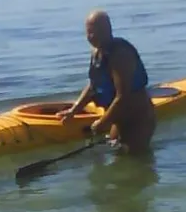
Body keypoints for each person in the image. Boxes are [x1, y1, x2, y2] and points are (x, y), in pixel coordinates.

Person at [56, 9, 156, 154]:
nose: (91, 36)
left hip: (138, 119)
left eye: (95, 32)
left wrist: (101, 123)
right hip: (118, 119)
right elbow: (93, 86)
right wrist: (73, 111)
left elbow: (123, 96)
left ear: (108, 30)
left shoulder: (120, 55)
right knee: (117, 152)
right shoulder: (97, 53)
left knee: (134, 159)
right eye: (88, 32)